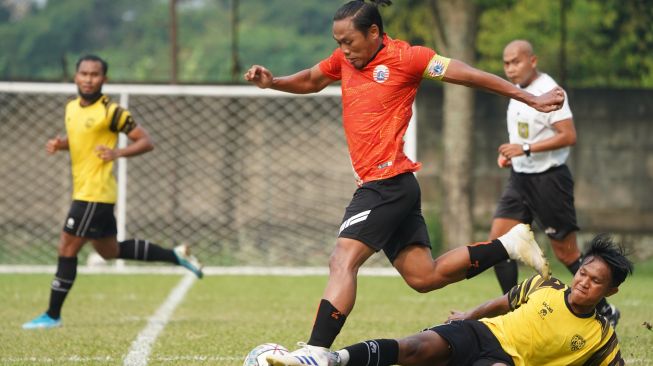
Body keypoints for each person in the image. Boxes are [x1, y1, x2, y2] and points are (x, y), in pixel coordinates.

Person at [245, 0, 565, 362]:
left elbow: (469, 75)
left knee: (342, 260)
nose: (343, 50)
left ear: (374, 33)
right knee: (424, 277)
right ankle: (509, 245)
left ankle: (316, 352)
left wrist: (529, 97)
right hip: (393, 186)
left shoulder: (409, 58)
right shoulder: (344, 61)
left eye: (349, 41)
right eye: (338, 42)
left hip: (386, 183)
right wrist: (273, 83)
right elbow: (312, 79)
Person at [22, 54, 204, 330]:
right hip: (88, 192)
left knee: (67, 247)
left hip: (94, 193)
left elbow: (146, 141)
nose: (88, 79)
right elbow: (81, 137)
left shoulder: (113, 112)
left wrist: (117, 151)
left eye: (95, 75)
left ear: (104, 80)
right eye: (84, 73)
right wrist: (62, 144)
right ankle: (176, 255)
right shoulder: (71, 108)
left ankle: (52, 314)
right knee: (109, 251)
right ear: (76, 77)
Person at [294, 234, 632, 366]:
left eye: (595, 281)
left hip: (507, 363)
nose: (583, 282)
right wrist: (466, 316)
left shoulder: (601, 338)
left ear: (610, 291)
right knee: (415, 347)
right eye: (583, 273)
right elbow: (502, 303)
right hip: (480, 332)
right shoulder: (547, 285)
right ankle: (333, 360)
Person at [491, 39, 620, 326]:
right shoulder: (516, 92)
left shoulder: (549, 90)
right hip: (519, 180)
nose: (510, 68)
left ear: (532, 61)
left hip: (550, 181)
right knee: (498, 246)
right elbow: (526, 136)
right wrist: (515, 156)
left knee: (566, 253)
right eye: (506, 63)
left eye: (516, 62)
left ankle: (606, 310)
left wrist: (524, 150)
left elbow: (568, 135)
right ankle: (515, 314)